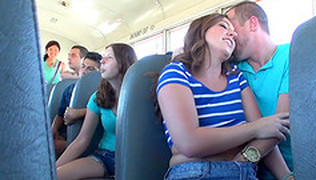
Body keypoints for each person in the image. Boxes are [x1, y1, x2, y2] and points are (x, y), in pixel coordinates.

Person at [156, 13, 291, 179]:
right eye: (223, 26)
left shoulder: (237, 78)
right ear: (201, 31)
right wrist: (254, 129)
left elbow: (268, 129)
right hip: (195, 172)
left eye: (234, 31)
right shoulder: (176, 72)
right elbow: (189, 143)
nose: (232, 34)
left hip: (242, 171)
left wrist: (286, 176)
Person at [226, 1, 292, 179]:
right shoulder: (231, 69)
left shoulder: (291, 55)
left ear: (253, 24)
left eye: (232, 29)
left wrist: (240, 162)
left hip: (296, 168)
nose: (229, 37)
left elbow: (282, 123)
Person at [56, 43, 137, 180]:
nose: (102, 61)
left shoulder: (140, 96)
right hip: (105, 156)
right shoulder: (98, 97)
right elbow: (82, 140)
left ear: (123, 63)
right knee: (56, 176)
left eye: (109, 57)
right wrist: (52, 169)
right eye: (103, 57)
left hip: (134, 159)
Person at [52, 52, 102, 158]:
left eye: (90, 69)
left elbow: (102, 107)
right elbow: (60, 115)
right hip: (66, 134)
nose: (84, 71)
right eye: (83, 66)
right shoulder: (69, 89)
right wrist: (53, 130)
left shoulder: (103, 92)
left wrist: (78, 113)